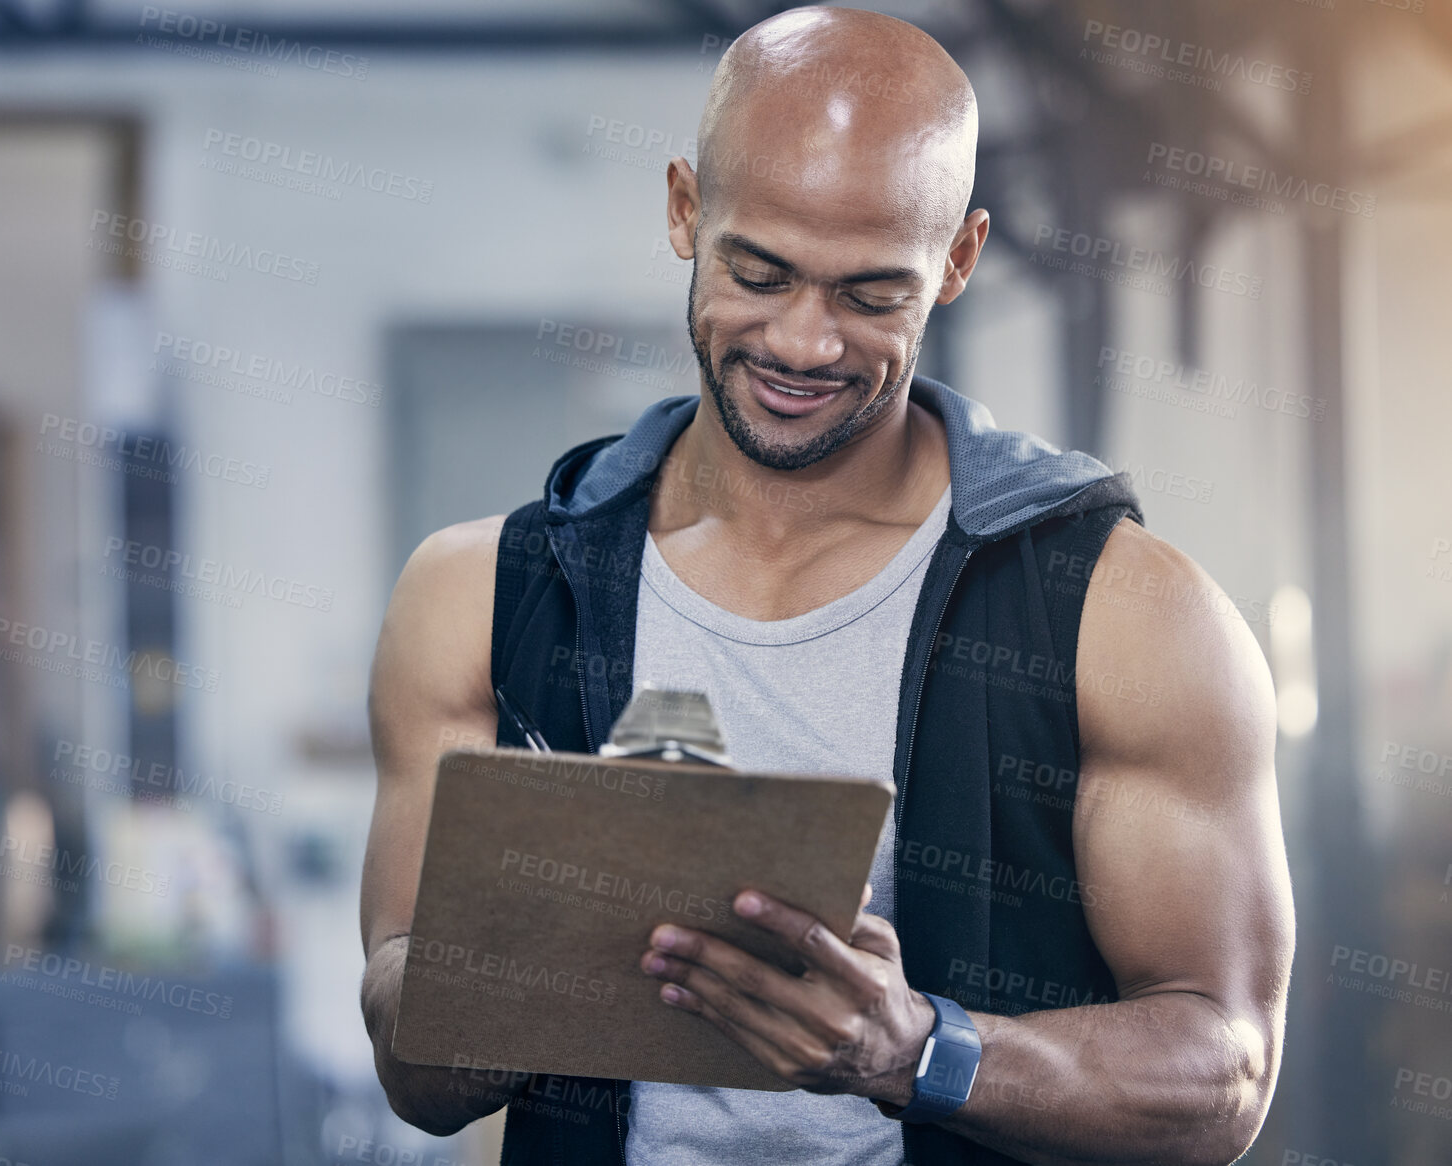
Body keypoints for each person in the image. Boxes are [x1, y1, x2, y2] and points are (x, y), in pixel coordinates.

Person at [359, 7, 1294, 1164]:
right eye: (758, 275)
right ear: (683, 210)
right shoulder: (482, 595)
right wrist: (541, 959)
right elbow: (409, 1060)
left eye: (869, 296)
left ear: (956, 261)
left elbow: (1224, 1069)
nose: (803, 344)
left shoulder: (1127, 613)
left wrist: (921, 1052)